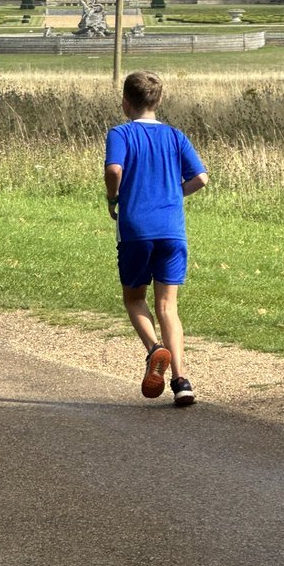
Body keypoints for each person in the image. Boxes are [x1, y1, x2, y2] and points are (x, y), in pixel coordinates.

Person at [104, 70, 208, 406]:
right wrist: (174, 194)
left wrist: (112, 197)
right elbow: (201, 178)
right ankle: (181, 380)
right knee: (169, 306)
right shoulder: (176, 136)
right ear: (158, 101)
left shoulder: (120, 133)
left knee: (134, 299)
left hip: (136, 228)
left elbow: (114, 169)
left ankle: (154, 350)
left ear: (125, 102)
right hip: (172, 230)